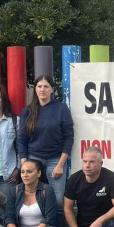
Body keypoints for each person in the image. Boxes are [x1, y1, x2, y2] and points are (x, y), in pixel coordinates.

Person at [18, 75, 74, 206]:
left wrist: (60, 164)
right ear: (35, 89)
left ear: (52, 90)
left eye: (46, 86)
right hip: (33, 158)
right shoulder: (27, 111)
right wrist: (24, 163)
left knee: (58, 200)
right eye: (39, 86)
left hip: (55, 159)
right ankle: (36, 226)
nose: (42, 89)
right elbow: (22, 139)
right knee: (32, 198)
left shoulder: (61, 108)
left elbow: (69, 137)